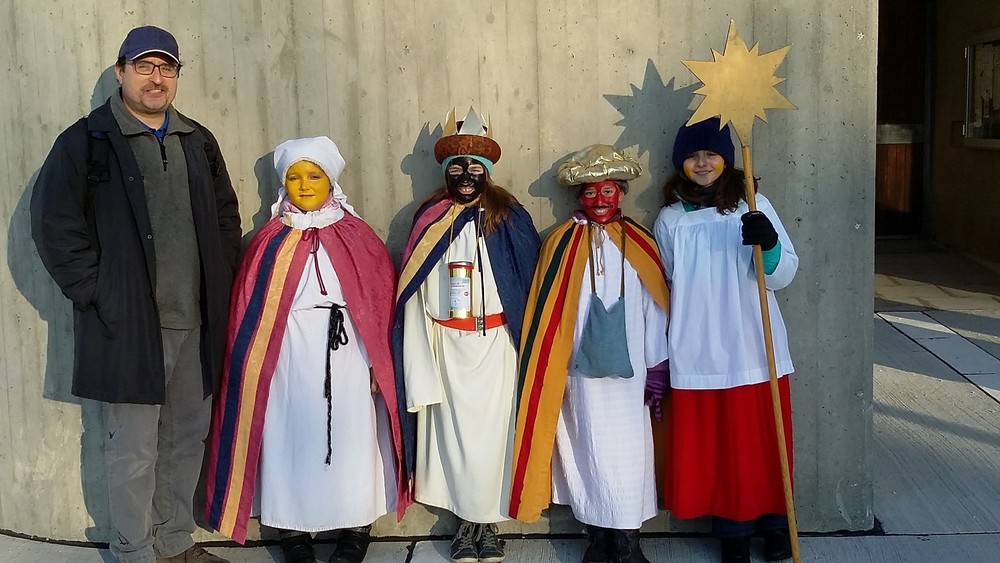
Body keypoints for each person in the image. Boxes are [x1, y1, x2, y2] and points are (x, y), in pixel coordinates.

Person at [30, 26, 240, 563]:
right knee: (133, 449)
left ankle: (174, 543)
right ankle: (135, 551)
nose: (156, 78)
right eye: (144, 66)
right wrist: (100, 293)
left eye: (167, 68)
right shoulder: (87, 142)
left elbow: (225, 217)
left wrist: (221, 279)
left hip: (197, 322)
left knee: (186, 439)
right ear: (120, 72)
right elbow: (55, 225)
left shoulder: (197, 140)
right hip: (130, 326)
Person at [204, 136, 411, 563]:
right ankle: (293, 532)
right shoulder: (268, 239)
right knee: (288, 437)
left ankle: (356, 527)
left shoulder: (358, 235)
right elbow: (250, 309)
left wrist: (379, 363)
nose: (303, 185)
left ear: (330, 181)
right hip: (287, 355)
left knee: (353, 437)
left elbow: (378, 304)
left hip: (350, 352)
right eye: (294, 177)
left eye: (313, 176)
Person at [508, 145, 670, 563]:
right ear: (579, 196)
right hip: (577, 377)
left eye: (608, 190)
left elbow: (655, 305)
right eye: (591, 192)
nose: (599, 200)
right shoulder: (560, 243)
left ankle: (628, 542)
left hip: (630, 380)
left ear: (622, 193)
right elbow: (548, 313)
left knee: (629, 454)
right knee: (585, 450)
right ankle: (598, 538)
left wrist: (656, 366)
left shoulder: (640, 241)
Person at [393, 108, 540, 563]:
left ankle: (488, 525)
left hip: (497, 345)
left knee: (493, 438)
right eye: (456, 167)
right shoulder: (430, 217)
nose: (465, 176)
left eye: (475, 167)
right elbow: (413, 289)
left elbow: (528, 280)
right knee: (453, 441)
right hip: (446, 346)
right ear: (445, 171)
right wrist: (418, 353)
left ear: (488, 171)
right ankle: (464, 525)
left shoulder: (508, 215)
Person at [652, 117, 798, 563]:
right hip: (700, 344)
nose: (702, 163)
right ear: (680, 163)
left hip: (752, 339)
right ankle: (732, 531)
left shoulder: (753, 205)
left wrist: (768, 244)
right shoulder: (671, 219)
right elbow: (668, 280)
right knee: (720, 448)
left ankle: (775, 524)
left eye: (711, 154)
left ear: (727, 159)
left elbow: (784, 274)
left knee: (762, 441)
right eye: (692, 156)